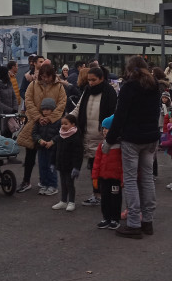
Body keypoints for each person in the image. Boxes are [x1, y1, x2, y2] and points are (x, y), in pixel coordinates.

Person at [105, 55, 161, 239]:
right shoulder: (154, 86)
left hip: (132, 138)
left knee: (130, 180)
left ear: (129, 69)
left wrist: (109, 140)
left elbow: (120, 115)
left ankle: (134, 223)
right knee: (147, 178)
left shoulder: (129, 87)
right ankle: (148, 221)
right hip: (151, 137)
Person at [16, 63, 67, 193]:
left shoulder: (59, 87)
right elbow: (28, 101)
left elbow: (62, 104)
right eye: (43, 76)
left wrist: (50, 118)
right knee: (31, 155)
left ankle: (50, 183)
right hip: (34, 122)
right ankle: (29, 181)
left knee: (49, 157)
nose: (45, 79)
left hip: (52, 124)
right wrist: (38, 117)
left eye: (47, 76)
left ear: (52, 75)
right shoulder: (33, 85)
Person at [71, 66, 118, 207]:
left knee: (102, 167)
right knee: (93, 166)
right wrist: (69, 118)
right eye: (89, 80)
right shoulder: (87, 91)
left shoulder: (110, 92)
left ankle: (102, 194)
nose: (90, 83)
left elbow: (113, 114)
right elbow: (78, 108)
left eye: (93, 80)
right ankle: (96, 194)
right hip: (87, 133)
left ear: (102, 78)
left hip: (101, 135)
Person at [92, 115, 122, 229]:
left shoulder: (120, 145)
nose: (104, 130)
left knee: (115, 199)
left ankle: (115, 218)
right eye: (103, 128)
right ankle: (106, 217)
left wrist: (122, 179)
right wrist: (95, 177)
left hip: (115, 178)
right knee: (105, 198)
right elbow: (97, 162)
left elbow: (123, 163)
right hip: (103, 177)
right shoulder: (102, 144)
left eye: (107, 128)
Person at [51, 114, 83, 212]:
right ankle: (63, 201)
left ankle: (71, 202)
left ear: (73, 124)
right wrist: (52, 162)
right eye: (62, 124)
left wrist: (76, 167)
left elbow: (78, 154)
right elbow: (55, 150)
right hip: (61, 164)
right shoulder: (60, 136)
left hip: (70, 166)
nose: (63, 126)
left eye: (66, 124)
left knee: (69, 183)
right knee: (63, 183)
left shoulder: (76, 137)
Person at [33, 98, 61, 197]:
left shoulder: (58, 121)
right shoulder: (39, 121)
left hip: (53, 149)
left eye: (48, 109)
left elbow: (60, 134)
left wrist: (52, 142)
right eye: (43, 109)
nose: (45, 112)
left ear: (52, 110)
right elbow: (35, 133)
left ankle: (53, 185)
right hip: (41, 148)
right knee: (42, 166)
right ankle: (44, 184)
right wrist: (40, 140)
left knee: (51, 167)